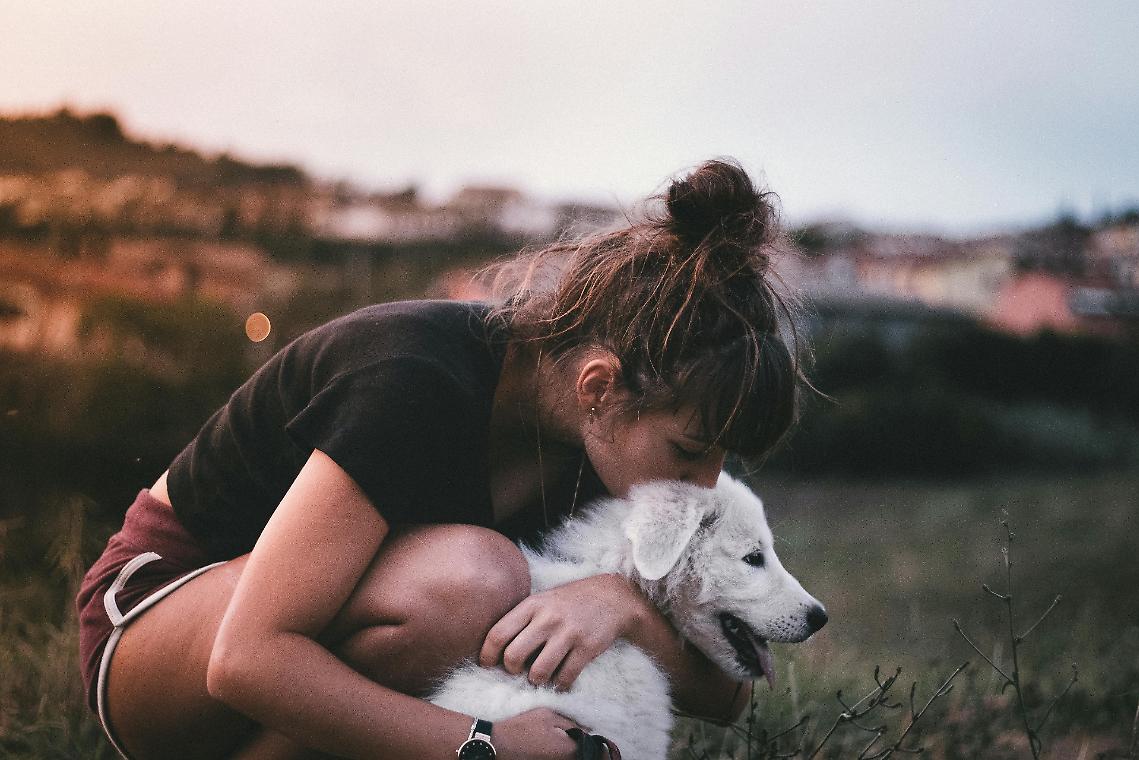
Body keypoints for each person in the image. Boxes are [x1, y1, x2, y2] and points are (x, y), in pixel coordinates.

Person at [76, 158, 804, 760]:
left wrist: (621, 609)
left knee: (484, 590)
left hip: (273, 665)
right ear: (598, 387)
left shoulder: (599, 448)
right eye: (689, 451)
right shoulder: (414, 377)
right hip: (155, 640)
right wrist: (486, 745)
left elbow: (726, 695)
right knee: (473, 582)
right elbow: (244, 659)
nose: (704, 485)